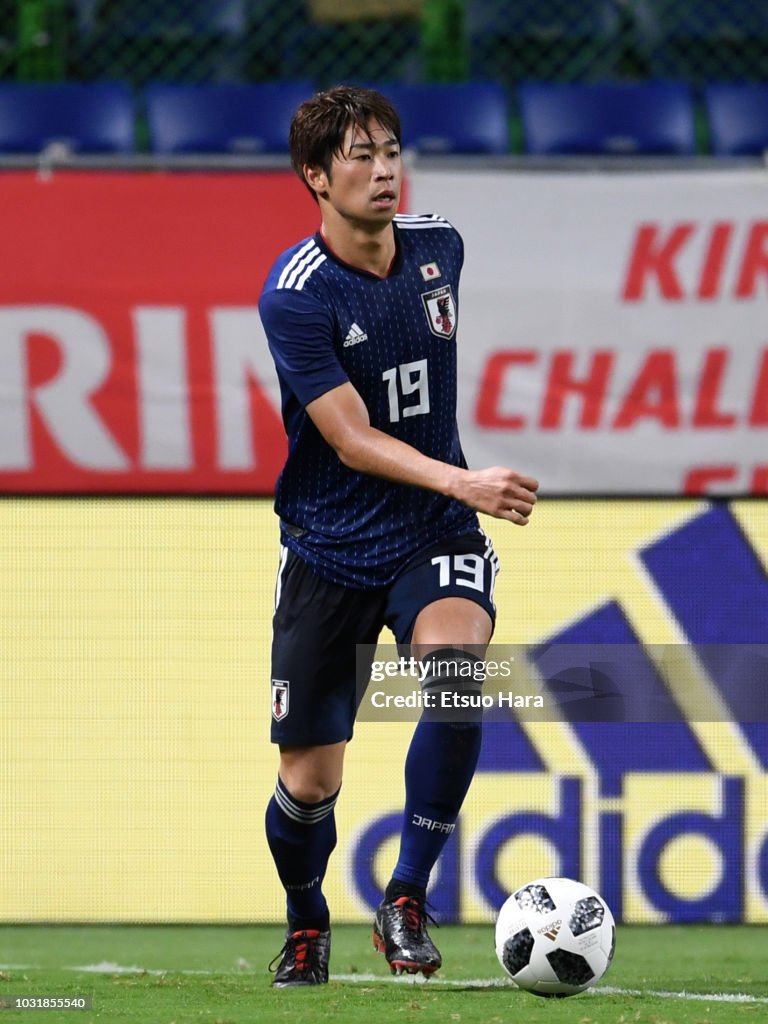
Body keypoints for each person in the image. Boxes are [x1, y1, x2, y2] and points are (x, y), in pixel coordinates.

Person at [258, 85, 538, 988]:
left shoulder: (440, 246)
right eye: (360, 157)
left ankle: (406, 895)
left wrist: (456, 497)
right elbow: (348, 438)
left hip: (432, 530)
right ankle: (307, 924)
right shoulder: (295, 296)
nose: (384, 171)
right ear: (314, 176)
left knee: (458, 674)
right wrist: (468, 477)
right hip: (331, 547)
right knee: (310, 783)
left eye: (391, 150)